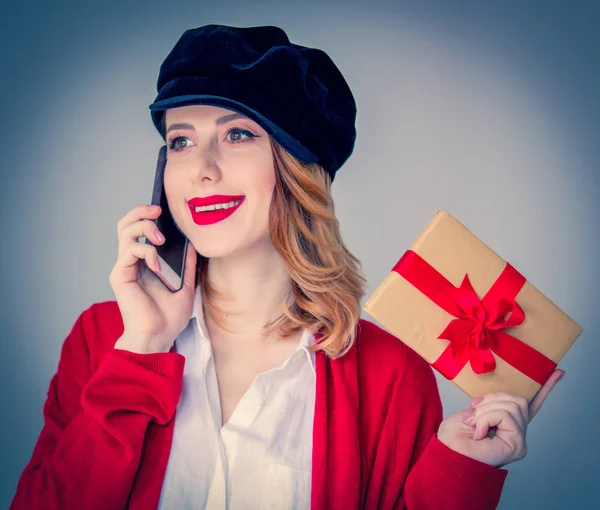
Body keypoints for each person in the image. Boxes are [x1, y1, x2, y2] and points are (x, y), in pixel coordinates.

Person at [11, 24, 564, 510]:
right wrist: (144, 349)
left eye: (237, 134)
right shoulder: (104, 339)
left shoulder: (391, 374)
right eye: (181, 141)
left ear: (298, 171)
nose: (201, 169)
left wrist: (460, 467)